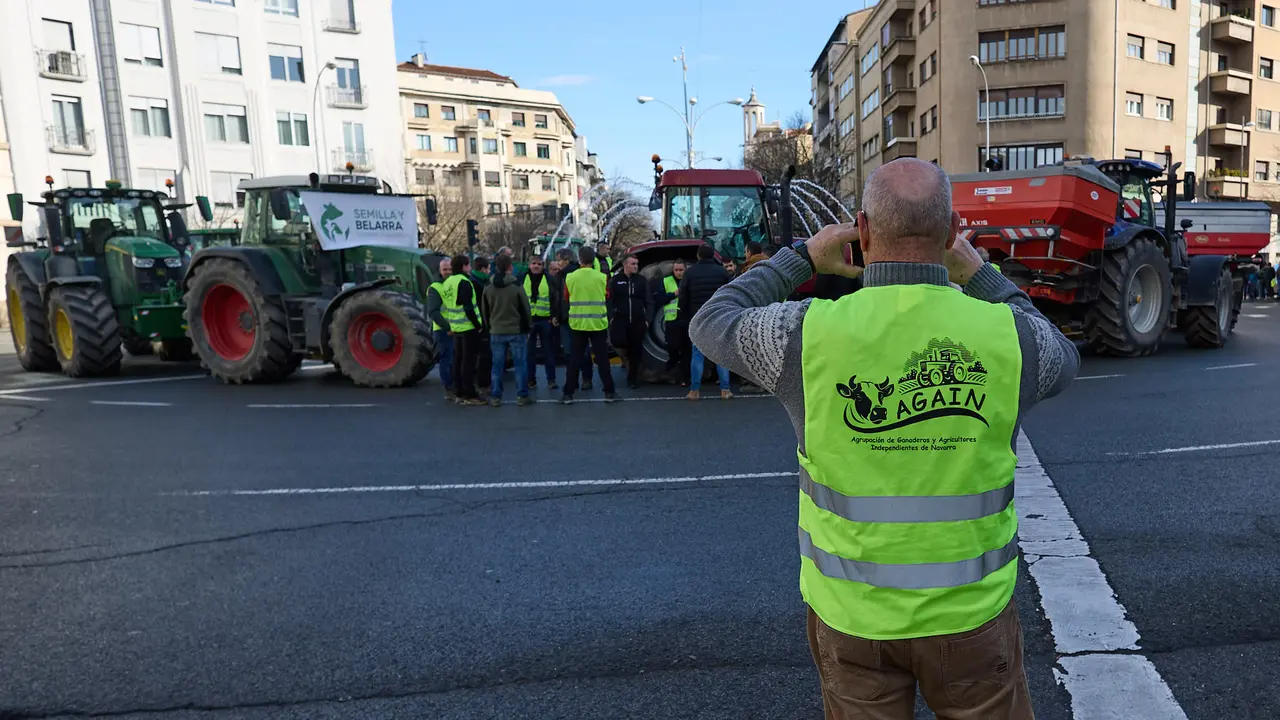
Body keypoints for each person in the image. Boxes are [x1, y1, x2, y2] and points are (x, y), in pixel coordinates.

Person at [689, 157, 1079, 719]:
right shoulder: (1008, 335)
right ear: (952, 233)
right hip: (970, 617)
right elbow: (1062, 356)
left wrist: (800, 257)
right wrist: (982, 277)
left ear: (864, 231)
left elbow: (710, 321)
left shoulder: (806, 333)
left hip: (853, 616)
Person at [561, 246, 618, 404]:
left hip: (577, 324)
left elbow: (566, 298)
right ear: (593, 260)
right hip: (597, 323)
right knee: (602, 359)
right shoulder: (601, 277)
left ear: (579, 260)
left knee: (575, 360)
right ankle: (609, 392)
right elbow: (607, 296)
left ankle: (568, 393)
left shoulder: (570, 277)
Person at [680, 243, 732, 400]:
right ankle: (725, 390)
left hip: (698, 318)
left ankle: (694, 391)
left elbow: (683, 297)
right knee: (720, 354)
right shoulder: (722, 272)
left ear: (698, 256)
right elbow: (729, 293)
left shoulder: (690, 273)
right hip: (718, 318)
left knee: (697, 355)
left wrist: (687, 314)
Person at [482, 254, 533, 406]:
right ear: (510, 267)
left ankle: (496, 396)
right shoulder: (516, 287)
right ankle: (522, 395)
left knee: (497, 365)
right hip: (516, 330)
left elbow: (485, 311)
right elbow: (526, 309)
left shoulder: (488, 288)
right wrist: (527, 326)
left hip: (496, 330)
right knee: (520, 364)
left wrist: (489, 325)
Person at [441, 254, 485, 406]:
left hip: (456, 326)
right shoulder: (464, 282)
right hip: (468, 327)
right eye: (468, 265)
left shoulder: (448, 282)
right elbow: (467, 307)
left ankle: (458, 391)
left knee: (458, 361)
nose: (470, 268)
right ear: (464, 266)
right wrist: (478, 325)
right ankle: (469, 393)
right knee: (468, 362)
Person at [609, 255, 650, 390]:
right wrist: (611, 316)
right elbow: (610, 301)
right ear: (625, 265)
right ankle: (625, 360)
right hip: (620, 319)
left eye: (637, 264)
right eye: (633, 264)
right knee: (618, 341)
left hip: (637, 320)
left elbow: (648, 301)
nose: (635, 266)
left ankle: (632, 378)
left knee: (636, 350)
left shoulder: (641, 281)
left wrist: (647, 319)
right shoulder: (616, 280)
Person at [556, 247, 593, 389]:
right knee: (581, 351)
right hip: (578, 317)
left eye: (559, 259)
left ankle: (576, 380)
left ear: (566, 260)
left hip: (571, 318)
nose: (557, 263)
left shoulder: (568, 275)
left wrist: (559, 315)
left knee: (571, 352)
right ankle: (585, 379)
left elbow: (562, 298)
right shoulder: (567, 274)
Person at [523, 255, 558, 389]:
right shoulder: (522, 278)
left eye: (539, 264)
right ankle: (530, 380)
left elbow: (555, 298)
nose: (536, 266)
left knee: (548, 352)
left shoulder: (549, 279)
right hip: (529, 321)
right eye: (534, 263)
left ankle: (551, 380)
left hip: (545, 320)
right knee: (529, 353)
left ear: (543, 266)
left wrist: (554, 316)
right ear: (529, 265)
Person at [426, 257, 456, 401]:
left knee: (455, 359)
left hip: (457, 327)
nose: (448, 272)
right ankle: (448, 388)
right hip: (444, 330)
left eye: (450, 269)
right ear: (439, 270)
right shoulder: (435, 288)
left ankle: (455, 386)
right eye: (445, 269)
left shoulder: (454, 283)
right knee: (447, 359)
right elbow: (433, 312)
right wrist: (448, 327)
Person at [659, 259, 689, 385]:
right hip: (672, 320)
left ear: (685, 270)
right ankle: (672, 362)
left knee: (687, 350)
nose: (678, 272)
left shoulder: (689, 281)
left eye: (681, 270)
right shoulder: (666, 281)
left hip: (686, 319)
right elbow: (660, 299)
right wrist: (674, 294)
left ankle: (684, 378)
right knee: (672, 347)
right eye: (676, 270)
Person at [471, 256, 493, 395]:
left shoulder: (475, 281)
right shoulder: (479, 284)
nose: (490, 271)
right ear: (483, 269)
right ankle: (483, 384)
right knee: (484, 355)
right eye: (488, 269)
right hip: (481, 324)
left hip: (475, 324)